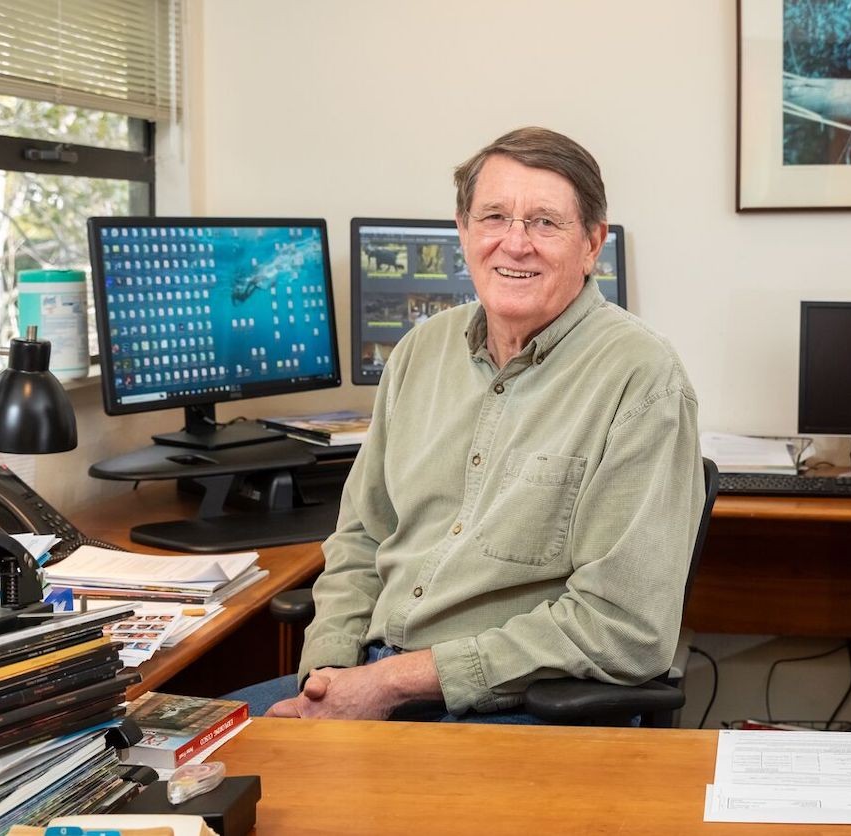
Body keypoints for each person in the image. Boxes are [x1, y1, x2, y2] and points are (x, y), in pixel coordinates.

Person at [232, 127, 704, 722]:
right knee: (152, 767)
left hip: (509, 704)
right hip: (363, 679)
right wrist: (328, 674)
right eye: (494, 217)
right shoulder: (418, 352)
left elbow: (625, 628)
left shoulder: (643, 379)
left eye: (545, 223)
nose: (515, 243)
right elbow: (360, 539)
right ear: (463, 231)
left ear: (592, 244)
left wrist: (392, 684)